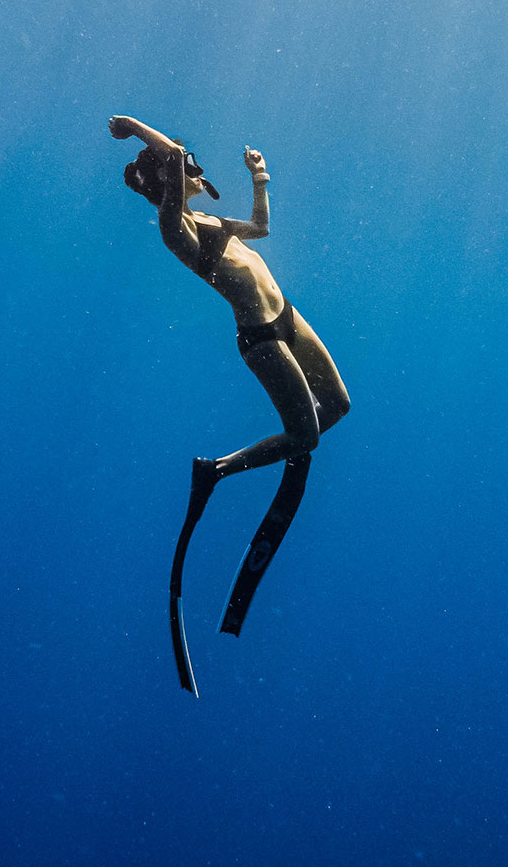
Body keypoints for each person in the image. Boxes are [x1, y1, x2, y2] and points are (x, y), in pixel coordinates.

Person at [109, 114, 350, 692]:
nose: (194, 171)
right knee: (307, 439)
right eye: (188, 170)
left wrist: (260, 178)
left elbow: (260, 232)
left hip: (287, 317)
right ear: (167, 182)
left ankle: (283, 439)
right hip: (261, 339)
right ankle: (215, 471)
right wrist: (137, 128)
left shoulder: (210, 218)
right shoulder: (175, 229)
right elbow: (171, 157)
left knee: (337, 405)